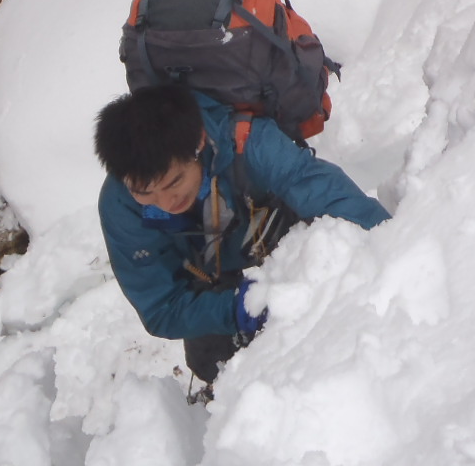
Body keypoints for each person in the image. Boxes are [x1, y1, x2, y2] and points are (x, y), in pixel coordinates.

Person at [95, 84, 389, 385]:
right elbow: (160, 307)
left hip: (277, 238)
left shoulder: (247, 141)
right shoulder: (122, 206)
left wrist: (391, 244)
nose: (166, 202)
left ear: (199, 143)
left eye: (175, 182)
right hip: (209, 272)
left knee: (319, 323)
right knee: (212, 365)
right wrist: (233, 310)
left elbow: (324, 191)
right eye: (146, 192)